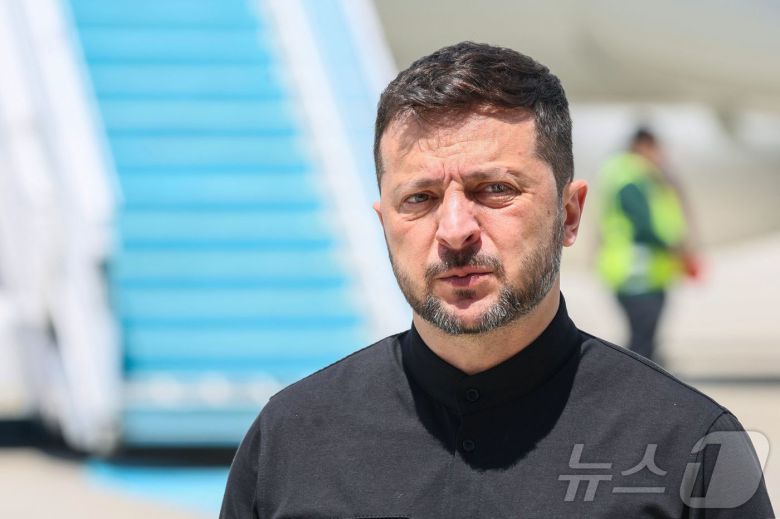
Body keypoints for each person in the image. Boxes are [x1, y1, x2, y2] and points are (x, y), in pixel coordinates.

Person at [220, 42, 772, 518]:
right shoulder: (289, 442)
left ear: (569, 215)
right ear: (384, 222)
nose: (455, 230)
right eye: (420, 198)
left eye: (495, 190)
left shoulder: (690, 446)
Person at [596, 128, 700, 362]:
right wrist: (672, 246)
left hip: (644, 275)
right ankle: (632, 380)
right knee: (642, 344)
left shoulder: (634, 175)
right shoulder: (632, 177)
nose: (660, 155)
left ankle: (640, 377)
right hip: (637, 275)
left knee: (644, 341)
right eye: (656, 148)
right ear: (643, 146)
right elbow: (643, 225)